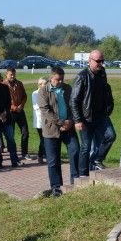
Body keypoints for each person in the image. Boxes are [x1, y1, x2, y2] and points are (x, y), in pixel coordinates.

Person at [71, 50, 115, 175]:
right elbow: (73, 100)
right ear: (89, 61)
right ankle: (82, 175)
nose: (100, 63)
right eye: (98, 61)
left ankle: (97, 159)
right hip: (86, 117)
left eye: (102, 61)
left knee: (111, 136)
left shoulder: (102, 73)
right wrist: (77, 120)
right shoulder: (82, 77)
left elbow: (106, 91)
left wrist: (108, 107)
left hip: (101, 115)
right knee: (86, 147)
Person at [39, 67, 80, 197]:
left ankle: (76, 182)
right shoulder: (43, 91)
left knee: (75, 151)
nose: (61, 81)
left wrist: (71, 121)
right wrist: (61, 122)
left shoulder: (67, 88)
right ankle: (56, 187)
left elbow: (74, 106)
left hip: (69, 128)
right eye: (58, 79)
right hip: (51, 130)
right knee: (53, 160)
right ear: (51, 78)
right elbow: (45, 110)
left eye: (62, 79)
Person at [4, 67, 29, 160]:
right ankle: (12, 153)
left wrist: (21, 106)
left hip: (20, 111)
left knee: (25, 132)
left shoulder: (19, 83)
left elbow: (24, 96)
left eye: (14, 74)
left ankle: (24, 153)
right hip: (10, 112)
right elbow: (4, 100)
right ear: (6, 74)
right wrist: (14, 107)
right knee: (11, 134)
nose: (12, 76)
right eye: (11, 74)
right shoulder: (3, 85)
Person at [31, 77, 48, 164]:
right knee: (43, 138)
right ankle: (41, 156)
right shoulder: (35, 93)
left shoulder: (47, 92)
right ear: (40, 85)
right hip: (40, 120)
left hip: (47, 119)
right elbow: (37, 107)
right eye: (45, 84)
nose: (47, 85)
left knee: (46, 138)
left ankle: (45, 155)